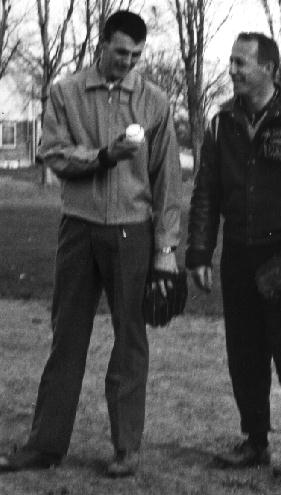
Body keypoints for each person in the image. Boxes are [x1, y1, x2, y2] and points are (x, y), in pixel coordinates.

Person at [0, 11, 181, 477]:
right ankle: (45, 444)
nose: (128, 61)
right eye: (121, 52)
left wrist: (166, 249)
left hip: (133, 231)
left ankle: (127, 447)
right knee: (67, 338)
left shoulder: (155, 101)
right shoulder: (65, 92)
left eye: (137, 55)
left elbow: (166, 184)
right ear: (102, 44)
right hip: (78, 229)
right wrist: (103, 156)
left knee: (131, 340)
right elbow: (54, 154)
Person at [185, 32, 281, 481]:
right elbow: (206, 193)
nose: (232, 70)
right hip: (238, 253)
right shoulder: (220, 123)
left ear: (268, 69)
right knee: (245, 354)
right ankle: (255, 440)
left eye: (241, 63)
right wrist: (199, 251)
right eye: (231, 62)